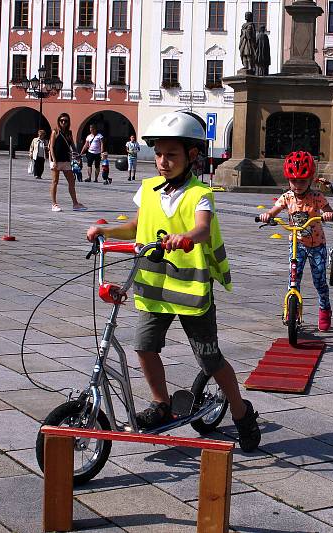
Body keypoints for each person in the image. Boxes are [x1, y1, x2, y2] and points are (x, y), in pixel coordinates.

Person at [85, 111, 260, 452]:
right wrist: (105, 229)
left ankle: (241, 412)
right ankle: (161, 404)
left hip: (192, 291)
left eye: (172, 155)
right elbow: (137, 224)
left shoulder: (200, 193)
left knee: (209, 358)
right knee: (143, 345)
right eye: (160, 155)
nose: (163, 162)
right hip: (154, 289)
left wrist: (187, 237)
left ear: (192, 156)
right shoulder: (148, 188)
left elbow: (203, 227)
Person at [259, 151, 333, 331]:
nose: (298, 185)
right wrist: (267, 215)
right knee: (294, 278)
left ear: (311, 179)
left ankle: (325, 309)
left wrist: (328, 214)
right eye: (294, 181)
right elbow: (274, 210)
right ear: (288, 180)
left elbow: (328, 210)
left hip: (317, 245)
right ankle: (291, 311)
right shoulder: (287, 197)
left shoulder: (317, 197)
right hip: (297, 243)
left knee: (319, 281)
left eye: (302, 181)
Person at [48, 112, 86, 212]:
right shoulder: (55, 132)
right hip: (56, 160)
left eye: (65, 121)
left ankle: (75, 203)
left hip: (66, 159)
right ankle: (54, 204)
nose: (63, 122)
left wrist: (77, 155)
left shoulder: (69, 133)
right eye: (61, 120)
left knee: (71, 181)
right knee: (55, 181)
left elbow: (72, 145)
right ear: (59, 121)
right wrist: (54, 160)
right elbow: (51, 147)